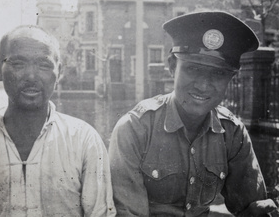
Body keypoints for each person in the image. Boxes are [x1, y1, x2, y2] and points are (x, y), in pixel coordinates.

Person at [109, 11, 278, 216]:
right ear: (172, 67)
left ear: (231, 78)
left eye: (218, 74)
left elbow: (252, 209)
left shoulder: (232, 133)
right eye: (193, 69)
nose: (203, 85)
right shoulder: (135, 129)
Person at [0, 25, 116, 216]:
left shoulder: (84, 141)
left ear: (58, 72)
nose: (31, 76)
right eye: (18, 64)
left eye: (44, 65)